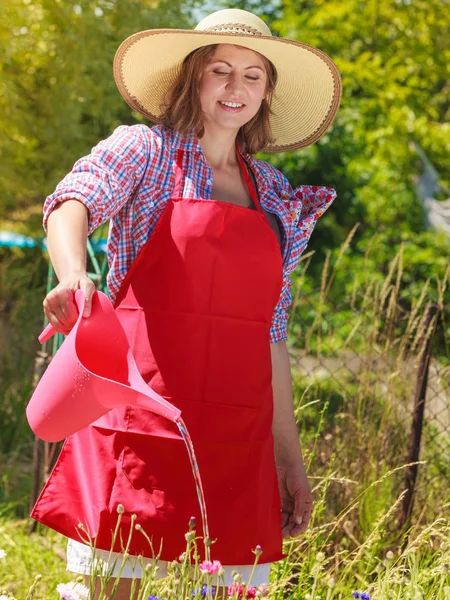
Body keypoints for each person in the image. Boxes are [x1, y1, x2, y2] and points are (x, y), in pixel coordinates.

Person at [31, 8, 342, 599]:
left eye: (253, 76)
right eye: (220, 70)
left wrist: (289, 457)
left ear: (267, 91)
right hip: (138, 414)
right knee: (110, 588)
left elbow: (271, 333)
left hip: (236, 431)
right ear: (191, 77)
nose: (235, 88)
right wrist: (73, 276)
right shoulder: (146, 152)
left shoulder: (276, 195)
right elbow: (73, 202)